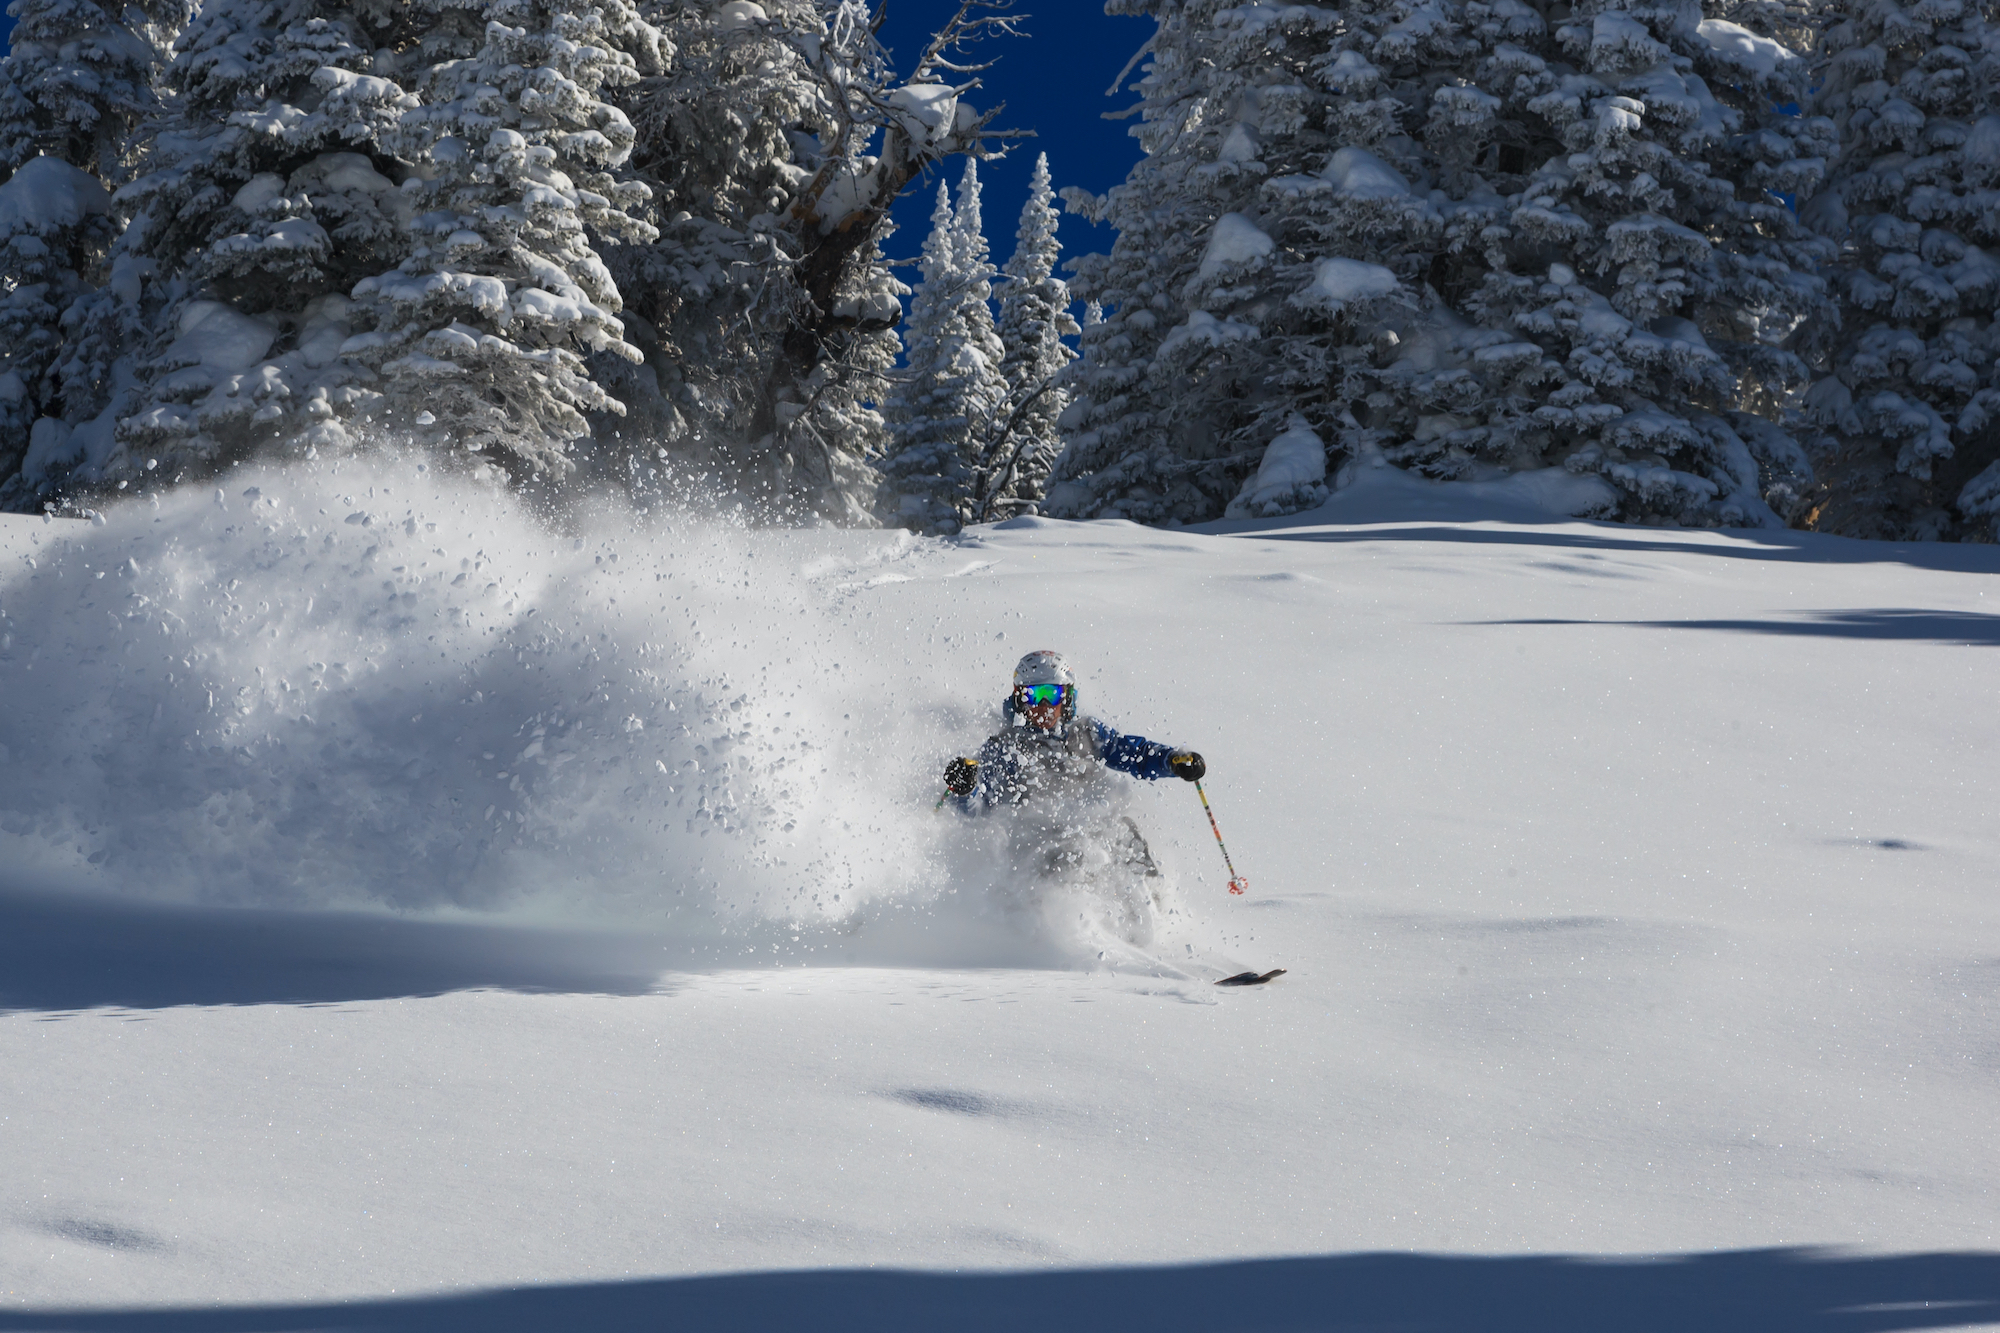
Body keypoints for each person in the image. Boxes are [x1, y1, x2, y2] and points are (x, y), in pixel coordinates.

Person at [941, 650, 1206, 810]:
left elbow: (1132, 754)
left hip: (1095, 827)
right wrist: (966, 790)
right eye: (1033, 695)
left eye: (1051, 694)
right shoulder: (1004, 749)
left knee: (1127, 833)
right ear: (1020, 701)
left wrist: (1171, 760)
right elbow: (980, 814)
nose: (1043, 705)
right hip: (1034, 846)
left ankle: (1153, 900)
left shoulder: (1087, 733)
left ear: (1066, 698)